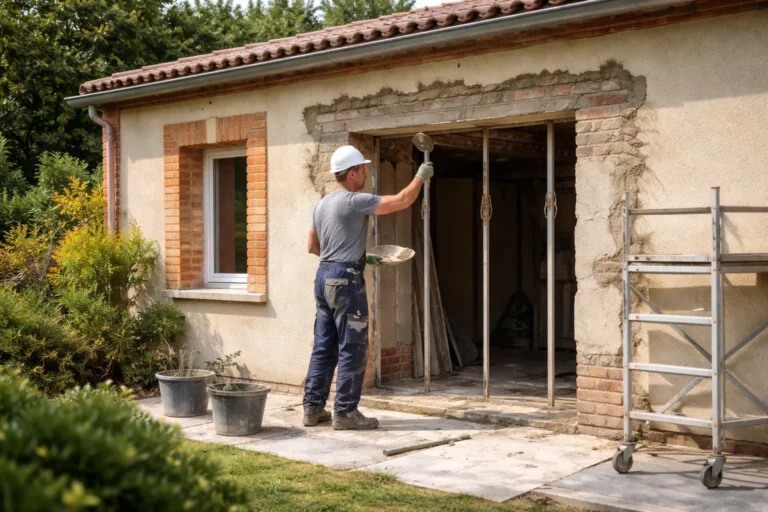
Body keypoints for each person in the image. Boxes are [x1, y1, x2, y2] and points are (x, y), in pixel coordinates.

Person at [303, 145, 434, 430]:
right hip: (345, 280)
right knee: (354, 346)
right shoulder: (354, 200)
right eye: (363, 169)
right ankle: (345, 413)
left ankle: (313, 409)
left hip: (324, 276)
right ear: (351, 174)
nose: (366, 174)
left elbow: (313, 247)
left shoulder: (322, 204)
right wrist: (421, 177)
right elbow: (401, 201)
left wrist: (359, 256)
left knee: (324, 346)